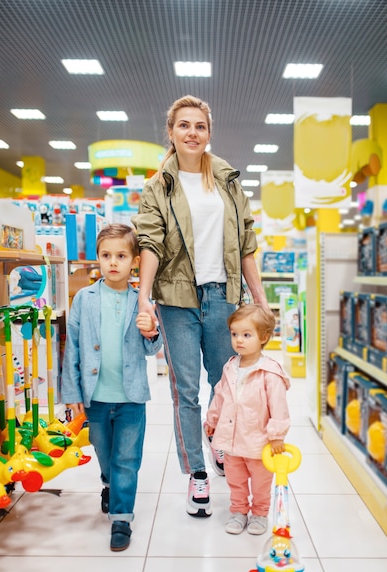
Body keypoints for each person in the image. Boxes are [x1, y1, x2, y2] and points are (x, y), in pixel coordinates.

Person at [132, 94, 269, 518]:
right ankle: (197, 473)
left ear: (209, 133)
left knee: (227, 383)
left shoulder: (227, 181)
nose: (193, 132)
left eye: (200, 126)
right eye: (184, 125)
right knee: (185, 391)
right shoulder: (159, 186)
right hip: (175, 301)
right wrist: (144, 299)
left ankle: (222, 447)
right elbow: (151, 244)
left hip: (224, 296)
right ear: (171, 132)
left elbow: (247, 245)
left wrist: (261, 302)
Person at [61, 223, 162, 551]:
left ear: (135, 261)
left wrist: (152, 331)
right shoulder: (84, 299)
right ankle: (108, 484)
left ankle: (121, 518)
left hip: (132, 397)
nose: (113, 262)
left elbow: (152, 350)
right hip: (96, 397)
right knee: (105, 454)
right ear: (99, 259)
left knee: (126, 459)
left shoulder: (142, 301)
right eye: (106, 255)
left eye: (121, 255)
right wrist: (72, 393)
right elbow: (72, 348)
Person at [204, 304, 291, 535]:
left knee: (261, 483)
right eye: (234, 334)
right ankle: (239, 511)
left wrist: (277, 436)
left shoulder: (270, 372)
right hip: (232, 441)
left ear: (263, 337)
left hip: (259, 442)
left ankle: (260, 514)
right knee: (236, 480)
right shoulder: (231, 366)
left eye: (246, 335)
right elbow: (220, 394)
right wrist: (212, 419)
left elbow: (279, 407)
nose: (238, 340)